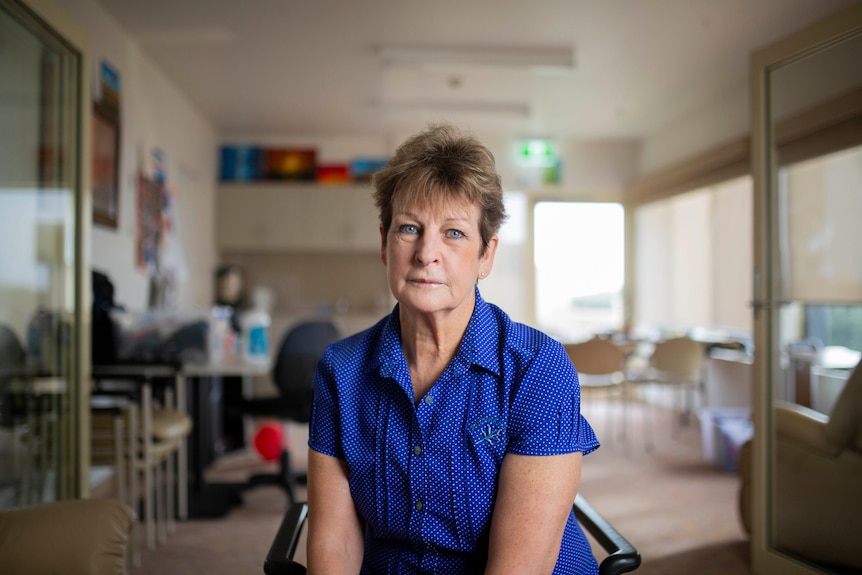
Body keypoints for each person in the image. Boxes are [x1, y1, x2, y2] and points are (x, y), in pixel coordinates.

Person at [306, 123, 600, 574]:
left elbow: (518, 569)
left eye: (454, 233)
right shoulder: (340, 371)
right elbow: (335, 545)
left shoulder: (538, 368)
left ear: (486, 255)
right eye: (409, 228)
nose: (427, 253)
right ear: (385, 244)